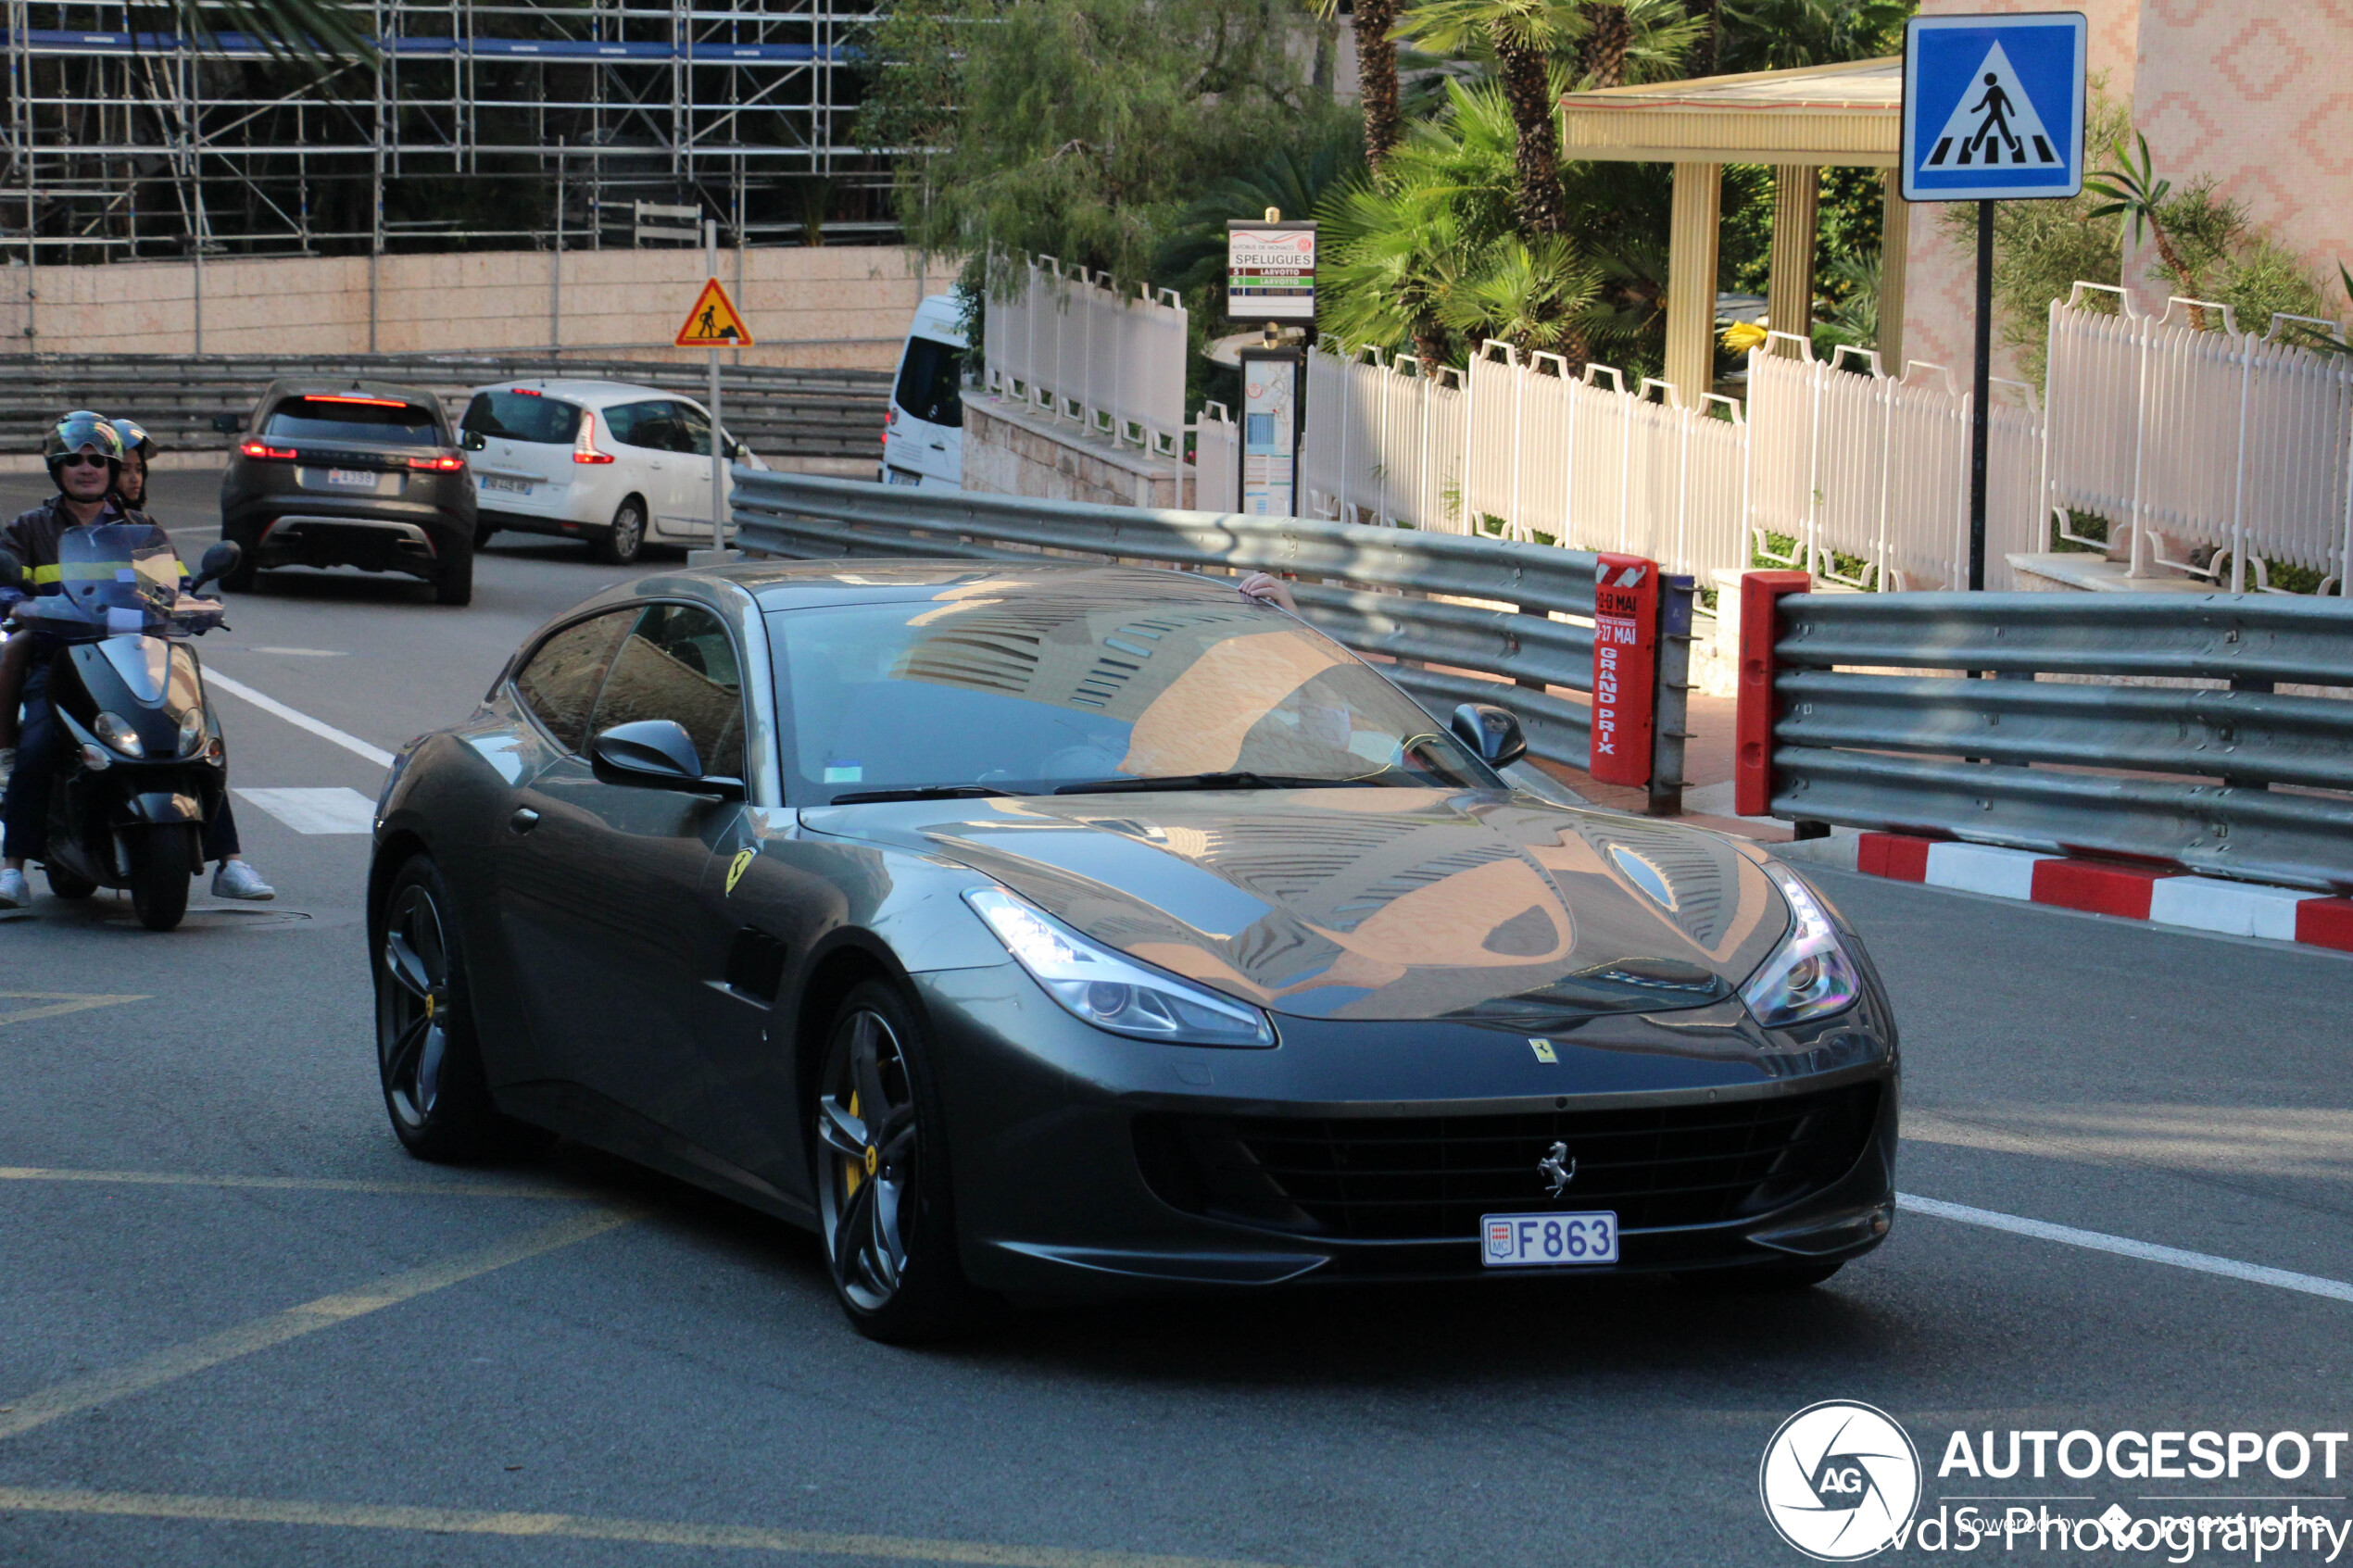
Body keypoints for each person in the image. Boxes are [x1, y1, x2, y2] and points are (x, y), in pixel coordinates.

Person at [0, 411, 273, 909]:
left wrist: (196, 604)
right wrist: (16, 601)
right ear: (57, 467)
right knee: (38, 744)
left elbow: (176, 586)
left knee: (194, 742)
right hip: (63, 662)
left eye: (97, 460)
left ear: (109, 467)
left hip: (139, 656)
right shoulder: (30, 529)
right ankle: (12, 867)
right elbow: (6, 582)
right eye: (75, 460)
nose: (87, 469)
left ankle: (230, 862)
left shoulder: (141, 528)